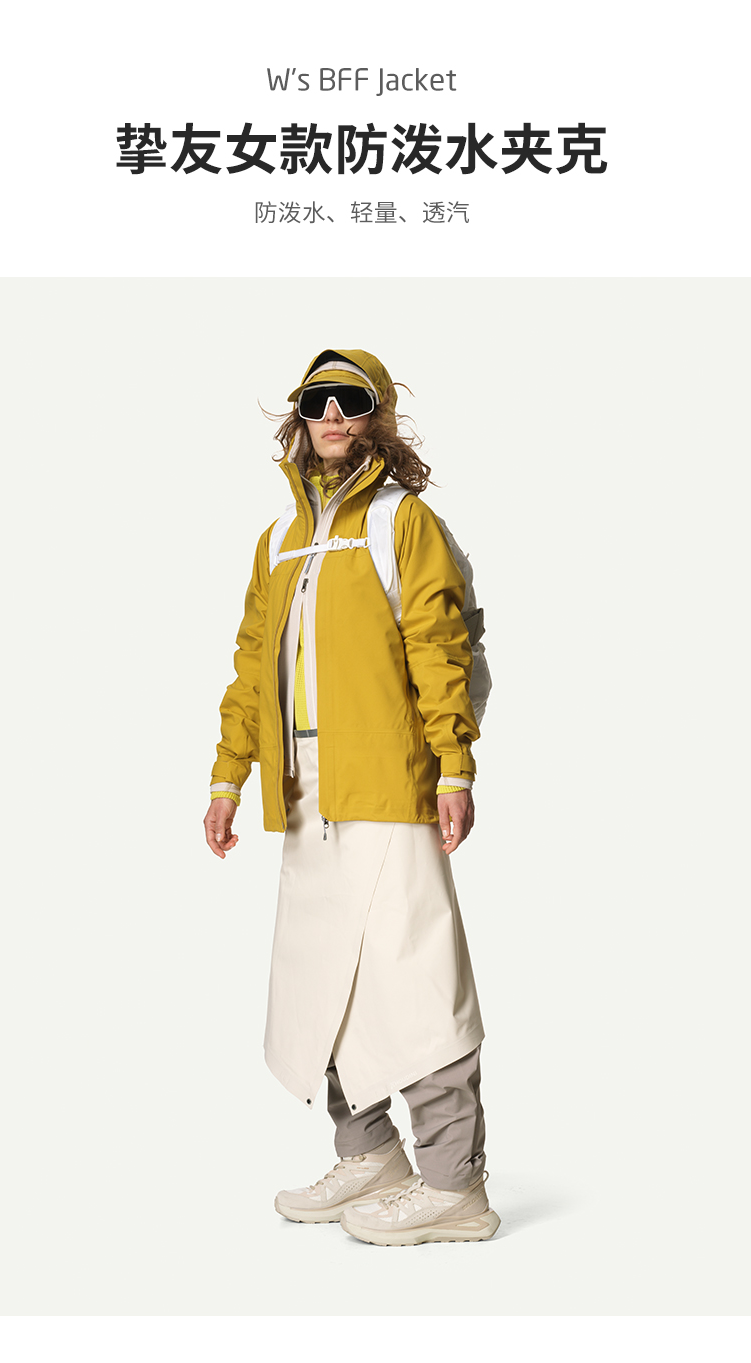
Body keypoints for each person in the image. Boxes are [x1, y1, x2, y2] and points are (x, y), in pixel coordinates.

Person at [203, 348, 500, 1247]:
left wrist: (454, 768)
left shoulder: (403, 521)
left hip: (390, 785)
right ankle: (370, 1153)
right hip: (304, 795)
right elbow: (251, 668)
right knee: (317, 982)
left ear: (377, 416)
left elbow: (440, 647)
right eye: (317, 400)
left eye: (352, 399)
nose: (333, 414)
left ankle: (455, 1183)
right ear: (300, 417)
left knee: (420, 980)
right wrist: (228, 775)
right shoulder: (277, 541)